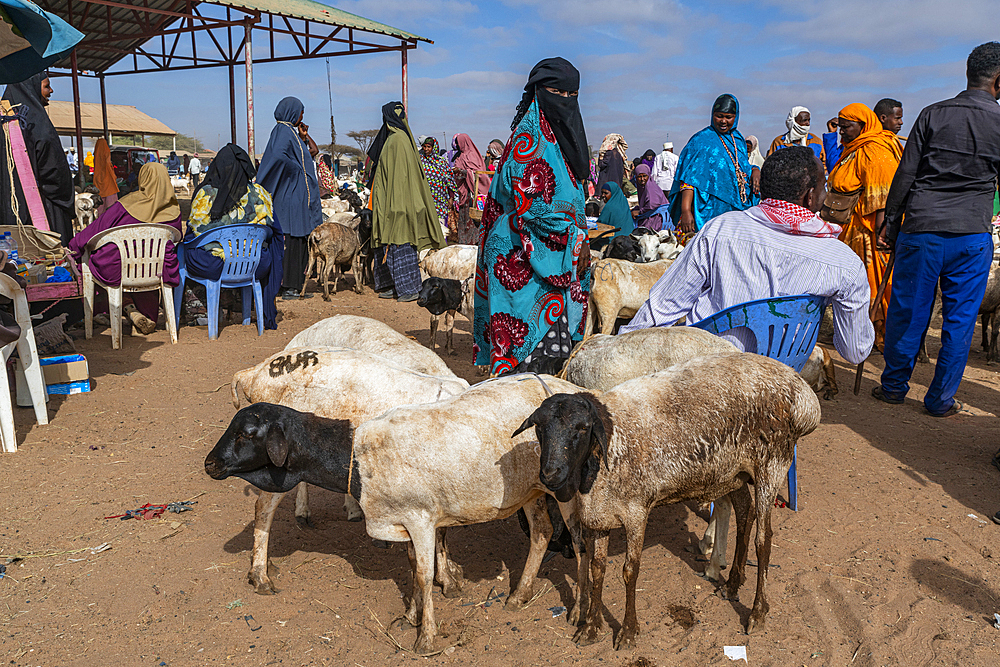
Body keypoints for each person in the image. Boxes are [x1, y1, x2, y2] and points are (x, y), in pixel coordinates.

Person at [620, 145, 875, 366]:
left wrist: (621, 350)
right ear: (810, 197)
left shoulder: (720, 229)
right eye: (824, 187)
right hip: (779, 383)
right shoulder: (845, 262)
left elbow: (664, 307)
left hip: (707, 375)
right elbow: (855, 351)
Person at [872, 42, 1000, 418]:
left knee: (909, 312)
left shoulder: (932, 114)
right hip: (972, 237)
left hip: (922, 231)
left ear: (968, 74)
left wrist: (890, 225)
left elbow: (905, 175)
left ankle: (894, 387)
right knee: (960, 321)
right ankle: (940, 399)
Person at [474, 56, 591, 376]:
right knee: (525, 357)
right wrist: (578, 239)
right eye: (558, 93)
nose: (565, 102)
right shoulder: (529, 141)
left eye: (573, 96)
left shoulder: (562, 139)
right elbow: (534, 209)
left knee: (551, 352)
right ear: (539, 92)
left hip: (554, 253)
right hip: (520, 255)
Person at [69, 162, 182, 335]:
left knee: (97, 258)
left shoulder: (127, 204)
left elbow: (94, 230)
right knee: (150, 263)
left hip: (118, 270)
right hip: (155, 271)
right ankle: (143, 315)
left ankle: (126, 309)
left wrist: (74, 247)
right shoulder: (173, 210)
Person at [183, 143, 284, 330]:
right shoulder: (261, 194)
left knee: (186, 249)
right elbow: (274, 232)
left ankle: (198, 310)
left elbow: (193, 232)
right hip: (254, 266)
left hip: (215, 266)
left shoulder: (204, 194)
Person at [827, 102, 902, 348]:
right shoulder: (855, 149)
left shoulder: (875, 151)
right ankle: (856, 333)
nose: (842, 132)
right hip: (852, 229)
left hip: (870, 235)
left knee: (872, 286)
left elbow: (883, 198)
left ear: (863, 125)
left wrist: (882, 236)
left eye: (846, 127)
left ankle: (876, 334)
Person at [367, 101, 444, 301]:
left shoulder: (396, 141)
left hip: (395, 205)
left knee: (396, 240)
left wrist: (395, 207)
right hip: (397, 204)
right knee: (396, 241)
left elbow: (397, 180)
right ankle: (401, 287)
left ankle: (398, 288)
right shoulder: (400, 140)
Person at [256, 97, 322, 299]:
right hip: (290, 198)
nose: (302, 116)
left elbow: (313, 152)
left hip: (297, 197)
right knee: (293, 241)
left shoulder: (292, 133)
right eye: (301, 112)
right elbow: (277, 155)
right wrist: (295, 170)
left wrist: (304, 135)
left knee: (299, 240)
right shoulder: (283, 131)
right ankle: (289, 287)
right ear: (292, 112)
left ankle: (295, 285)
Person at [0, 72, 75, 244]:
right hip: (42, 214)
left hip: (6, 215)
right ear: (31, 88)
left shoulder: (4, 120)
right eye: (46, 86)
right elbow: (55, 174)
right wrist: (65, 196)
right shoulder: (37, 123)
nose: (51, 91)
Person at [670, 94, 760, 235]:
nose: (723, 121)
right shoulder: (701, 141)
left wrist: (755, 170)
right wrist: (686, 210)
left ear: (736, 117)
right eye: (719, 116)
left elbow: (741, 168)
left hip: (735, 212)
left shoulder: (738, 140)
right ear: (712, 115)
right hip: (707, 210)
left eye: (728, 117)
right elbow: (689, 179)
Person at [451, 133, 492, 245]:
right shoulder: (460, 155)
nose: (458, 145)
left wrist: (463, 172)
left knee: (473, 220)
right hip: (464, 193)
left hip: (473, 194)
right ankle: (464, 242)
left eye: (459, 142)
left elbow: (479, 175)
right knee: (464, 218)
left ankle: (474, 242)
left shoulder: (472, 155)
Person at [418, 137, 458, 239]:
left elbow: (450, 180)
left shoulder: (441, 162)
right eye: (424, 146)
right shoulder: (419, 161)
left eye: (429, 147)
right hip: (424, 199)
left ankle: (440, 246)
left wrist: (451, 197)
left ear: (434, 147)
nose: (426, 149)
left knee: (440, 226)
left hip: (440, 200)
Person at [593, 182, 634, 247]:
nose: (603, 195)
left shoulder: (609, 207)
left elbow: (600, 224)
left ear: (613, 193)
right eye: (602, 193)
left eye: (606, 193)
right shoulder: (623, 202)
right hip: (628, 238)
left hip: (613, 240)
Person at [633, 163, 670, 230]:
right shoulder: (642, 188)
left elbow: (652, 204)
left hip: (656, 219)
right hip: (650, 215)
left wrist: (639, 212)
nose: (642, 179)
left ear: (649, 176)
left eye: (644, 176)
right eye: (639, 177)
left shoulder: (651, 188)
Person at [92, 137, 119, 217]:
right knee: (111, 210)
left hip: (98, 185)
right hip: (109, 186)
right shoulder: (106, 155)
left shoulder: (96, 157)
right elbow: (109, 166)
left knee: (100, 209)